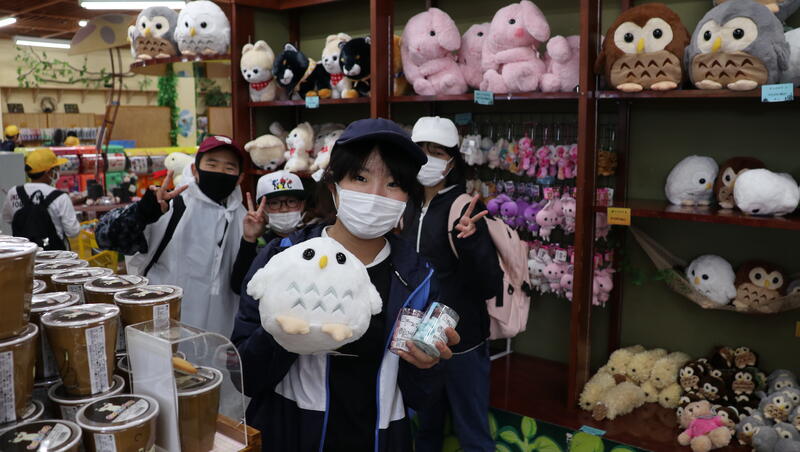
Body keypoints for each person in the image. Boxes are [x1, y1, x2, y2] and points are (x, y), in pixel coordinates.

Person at [231, 118, 460, 452]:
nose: (375, 195)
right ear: (333, 184)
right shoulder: (284, 256)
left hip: (380, 437)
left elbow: (421, 397)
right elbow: (244, 375)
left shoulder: (417, 278)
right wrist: (280, 332)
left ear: (407, 197)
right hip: (292, 429)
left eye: (393, 183)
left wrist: (427, 365)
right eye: (360, 178)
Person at [402, 116, 503, 452]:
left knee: (473, 434)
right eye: (421, 150)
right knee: (426, 430)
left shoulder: (464, 209)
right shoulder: (408, 205)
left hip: (464, 344)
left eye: (437, 152)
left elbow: (490, 284)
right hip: (420, 343)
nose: (428, 159)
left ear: (452, 161)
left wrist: (472, 241)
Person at [96, 135, 246, 336]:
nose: (220, 172)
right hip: (161, 329)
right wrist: (142, 212)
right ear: (195, 169)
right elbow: (105, 237)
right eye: (212, 164)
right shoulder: (169, 206)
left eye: (229, 168)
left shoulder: (243, 218)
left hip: (219, 337)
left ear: (240, 178)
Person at [230, 170, 311, 295]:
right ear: (261, 209)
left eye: (291, 201)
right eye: (274, 203)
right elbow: (239, 287)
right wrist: (249, 239)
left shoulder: (315, 238)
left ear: (302, 205)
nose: (284, 209)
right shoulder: (257, 245)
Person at [2, 148, 80, 249]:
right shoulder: (60, 197)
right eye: (55, 168)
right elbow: (73, 232)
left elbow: (7, 218)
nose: (57, 172)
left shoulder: (13, 192)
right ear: (49, 172)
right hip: (54, 254)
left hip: (24, 253)